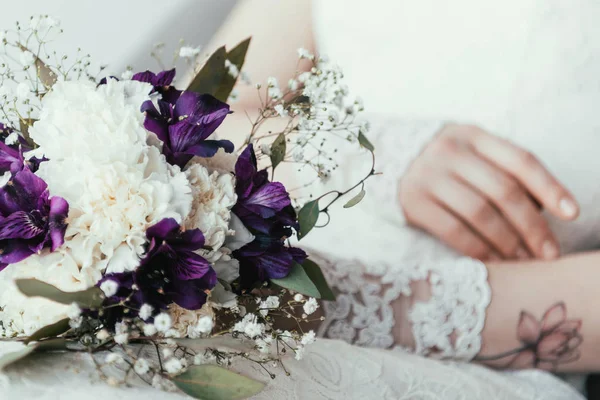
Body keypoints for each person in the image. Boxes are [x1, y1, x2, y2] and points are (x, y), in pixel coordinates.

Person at [192, 0, 600, 398]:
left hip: (479, 352)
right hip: (233, 286)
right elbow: (192, 122)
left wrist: (374, 306)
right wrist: (359, 155)